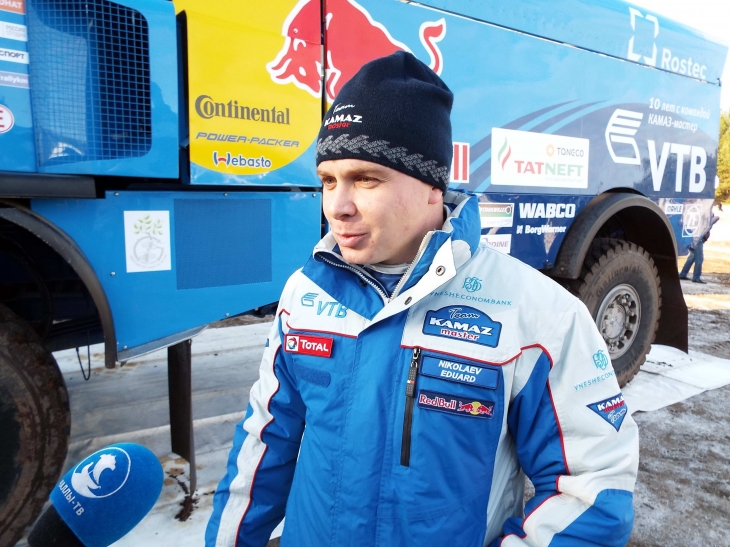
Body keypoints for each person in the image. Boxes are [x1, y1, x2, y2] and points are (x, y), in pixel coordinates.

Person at [206, 52, 639, 547]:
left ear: (433, 186)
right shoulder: (304, 293)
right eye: (328, 180)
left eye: (366, 179)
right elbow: (263, 444)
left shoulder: (540, 315)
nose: (337, 207)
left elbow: (592, 489)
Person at [679, 206, 720, 284]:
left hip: (694, 238)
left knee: (692, 257)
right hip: (698, 239)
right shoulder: (704, 219)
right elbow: (716, 218)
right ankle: (696, 277)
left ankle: (683, 274)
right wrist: (710, 217)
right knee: (699, 258)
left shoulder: (702, 217)